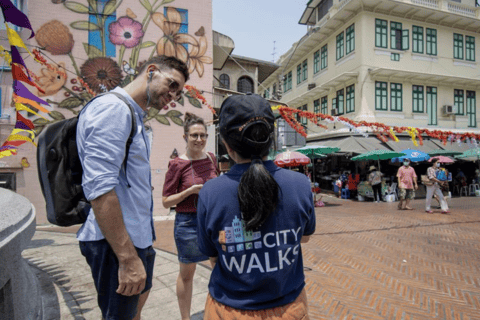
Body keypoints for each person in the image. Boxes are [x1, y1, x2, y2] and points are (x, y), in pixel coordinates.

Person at [76, 56, 189, 319]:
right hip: (116, 245)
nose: (173, 95)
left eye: (179, 92)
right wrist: (127, 258)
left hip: (134, 239)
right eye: (171, 84)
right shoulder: (113, 109)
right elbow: (100, 190)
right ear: (151, 72)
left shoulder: (132, 115)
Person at [197, 94, 316, 319]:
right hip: (289, 309)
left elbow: (212, 255)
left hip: (228, 310)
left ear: (225, 143)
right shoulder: (300, 184)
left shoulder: (210, 192)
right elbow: (304, 237)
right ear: (271, 139)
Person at [162, 112, 218, 320]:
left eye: (202, 135)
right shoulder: (177, 164)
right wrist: (189, 191)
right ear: (185, 137)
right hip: (187, 223)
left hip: (211, 220)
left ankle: (218, 312)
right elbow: (166, 201)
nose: (199, 139)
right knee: (187, 274)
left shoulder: (212, 158)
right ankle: (186, 318)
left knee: (220, 269)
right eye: (194, 135)